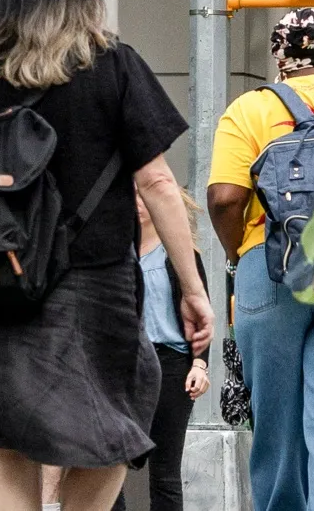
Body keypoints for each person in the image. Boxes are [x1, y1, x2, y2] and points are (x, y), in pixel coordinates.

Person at [0, 0, 212, 511]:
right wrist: (192, 286)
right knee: (115, 430)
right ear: (86, 3)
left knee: (10, 448)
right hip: (91, 285)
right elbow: (157, 183)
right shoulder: (112, 64)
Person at [207, 9, 314, 511]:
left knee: (277, 428)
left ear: (279, 56)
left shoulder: (250, 109)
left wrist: (237, 253)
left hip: (272, 267)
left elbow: (224, 198)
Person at [113, 191, 208, 511]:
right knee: (110, 464)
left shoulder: (181, 255)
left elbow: (200, 315)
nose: (137, 202)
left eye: (144, 195)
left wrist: (199, 365)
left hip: (170, 363)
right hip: (123, 363)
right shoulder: (114, 254)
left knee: (165, 472)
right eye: (132, 195)